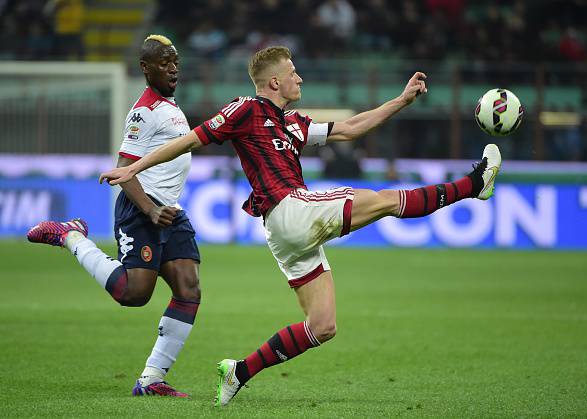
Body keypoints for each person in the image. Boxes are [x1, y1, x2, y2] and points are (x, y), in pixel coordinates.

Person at [98, 46, 501, 406]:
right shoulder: (245, 109)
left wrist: (400, 100)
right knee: (383, 201)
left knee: (323, 326)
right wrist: (134, 167)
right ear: (274, 81)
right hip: (289, 208)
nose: (300, 78)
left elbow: (350, 128)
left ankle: (238, 372)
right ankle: (473, 184)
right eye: (293, 73)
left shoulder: (292, 122)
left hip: (287, 233)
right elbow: (190, 141)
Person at [27, 35, 201, 398]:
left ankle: (151, 380)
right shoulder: (144, 112)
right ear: (145, 68)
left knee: (188, 289)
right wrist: (150, 209)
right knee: (134, 293)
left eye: (175, 62)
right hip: (143, 209)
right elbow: (124, 170)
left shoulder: (170, 106)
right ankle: (70, 235)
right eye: (164, 62)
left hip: (170, 210)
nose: (173, 68)